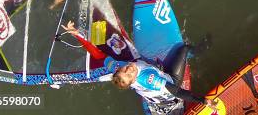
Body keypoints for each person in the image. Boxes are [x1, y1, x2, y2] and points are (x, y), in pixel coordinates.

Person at [61, 21, 217, 113]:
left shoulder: (116, 66)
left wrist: (76, 34)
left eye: (124, 70)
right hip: (171, 84)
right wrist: (203, 100)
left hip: (153, 94)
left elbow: (97, 54)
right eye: (129, 74)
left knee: (137, 61)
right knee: (183, 49)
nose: (128, 69)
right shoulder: (150, 80)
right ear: (133, 80)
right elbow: (178, 91)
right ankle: (201, 50)